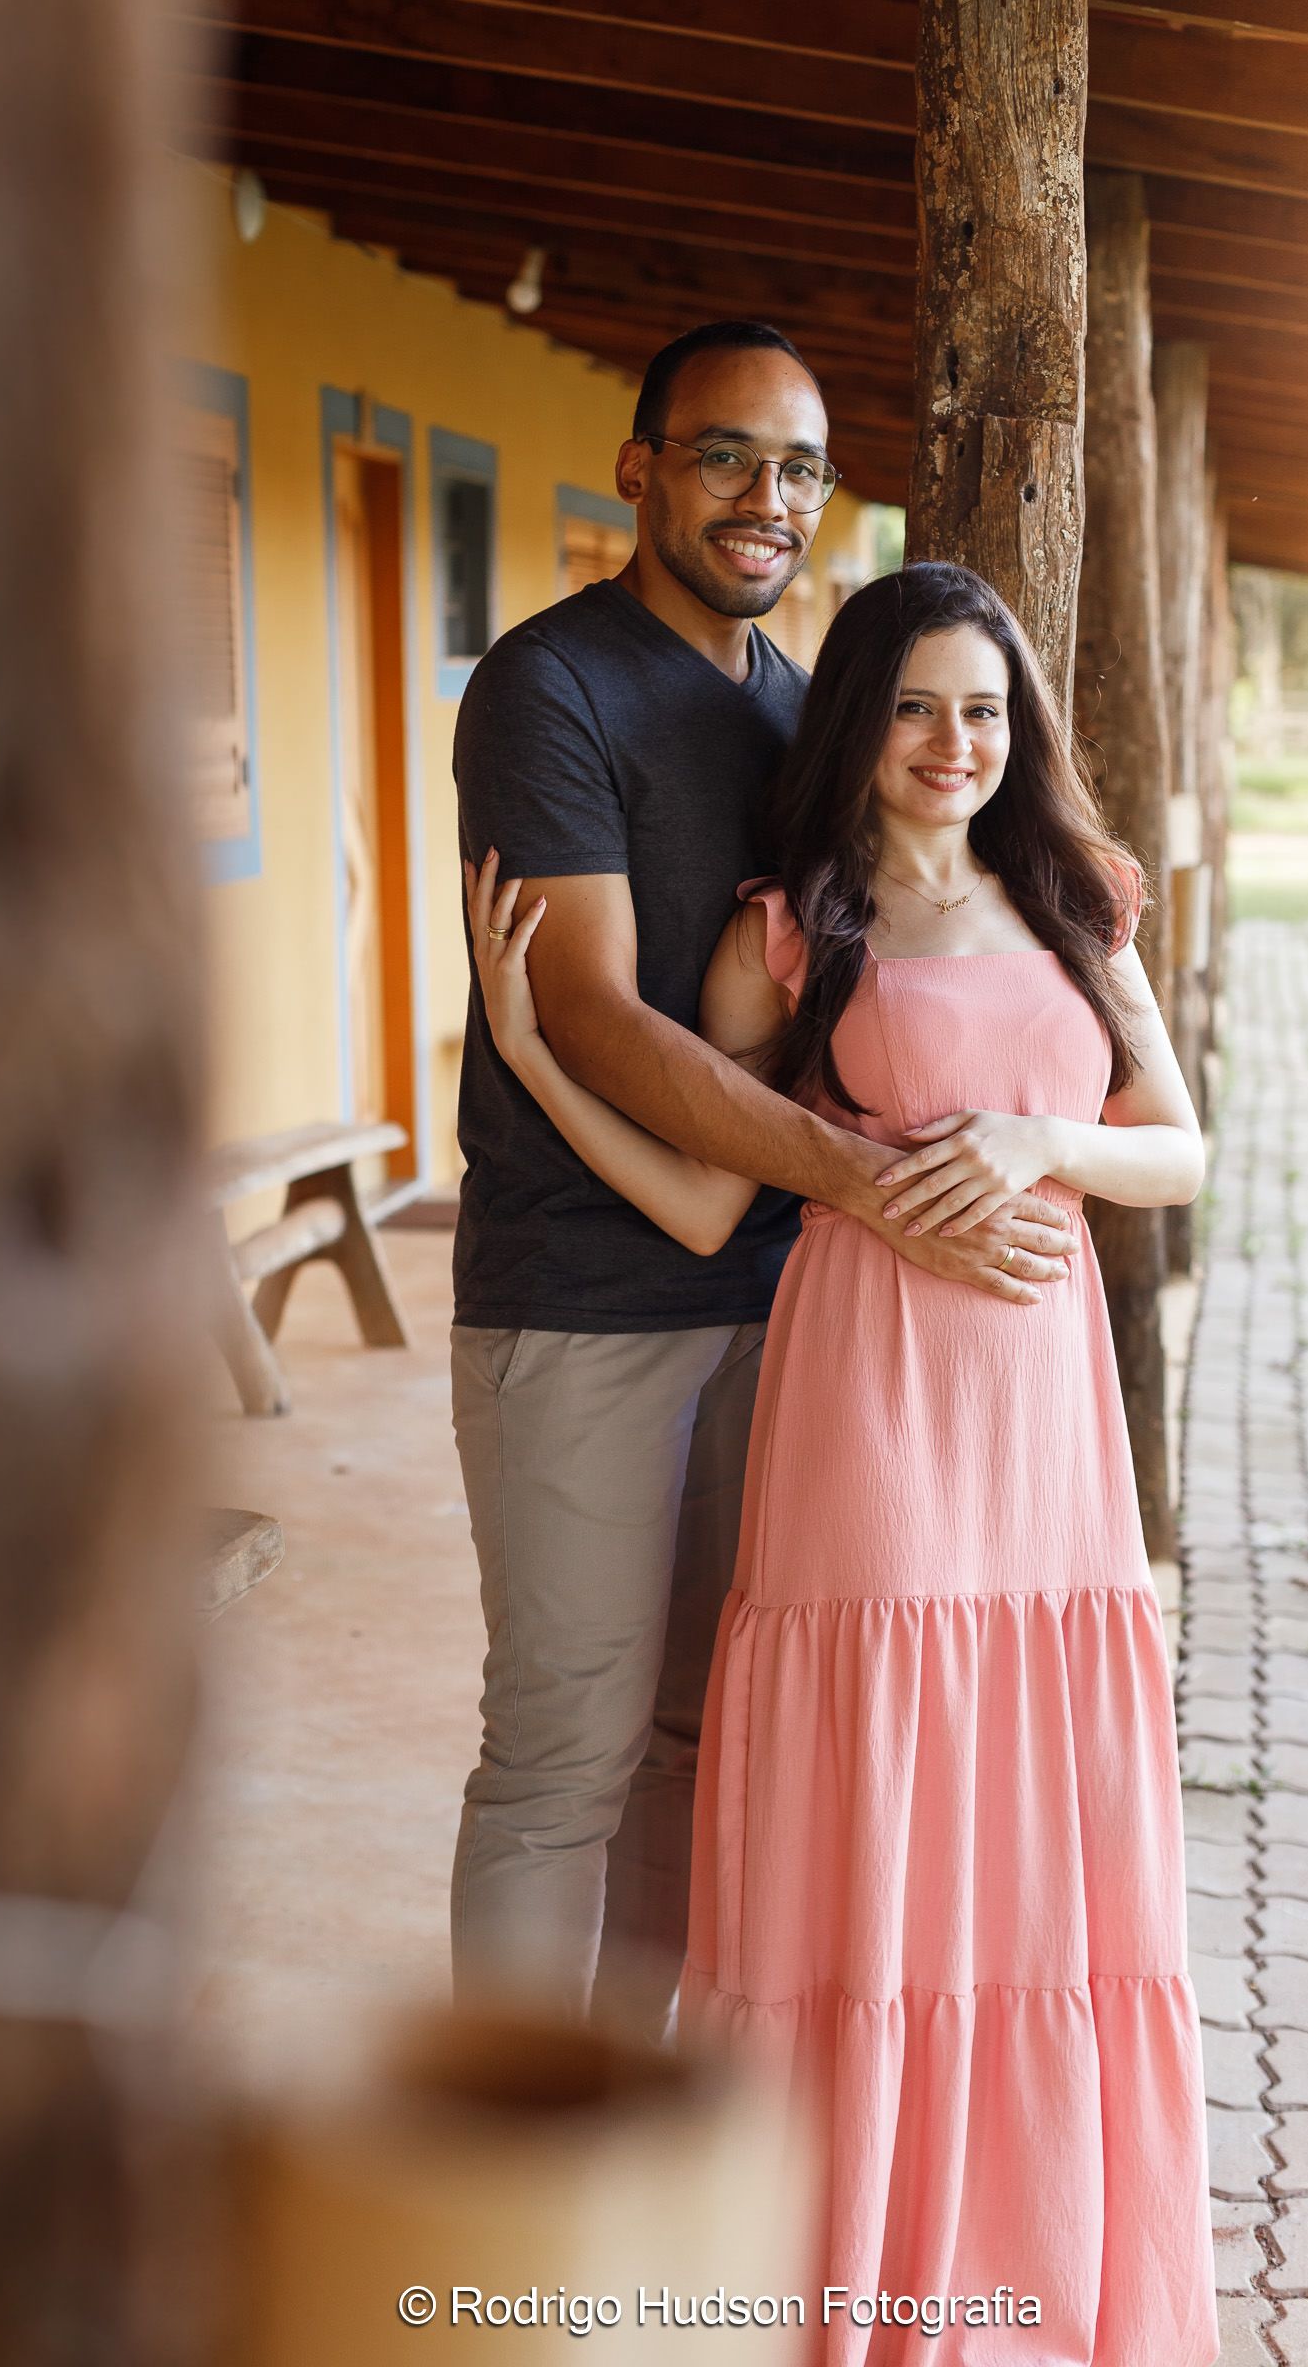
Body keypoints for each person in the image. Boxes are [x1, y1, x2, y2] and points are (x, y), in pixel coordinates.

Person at [463, 560, 1219, 2365]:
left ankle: (1013, 2253)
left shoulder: (1074, 901)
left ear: (1017, 727)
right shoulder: (794, 927)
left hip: (1042, 1424)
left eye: (984, 708)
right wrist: (536, 1062)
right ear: (855, 723)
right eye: (912, 706)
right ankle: (840, 2254)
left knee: (1031, 1813)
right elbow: (713, 1190)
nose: (954, 742)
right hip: (869, 1405)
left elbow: (1175, 1153)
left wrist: (1047, 1135)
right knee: (882, 1790)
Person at [448, 321, 1080, 2047]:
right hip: (584, 1300)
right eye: (726, 453)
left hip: (783, 1312)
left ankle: (637, 2148)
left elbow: (843, 978)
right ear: (639, 467)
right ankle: (507, 2222)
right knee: (562, 1755)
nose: (767, 497)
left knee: (703, 1748)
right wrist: (858, 1183)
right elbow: (585, 1005)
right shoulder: (547, 685)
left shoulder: (808, 710)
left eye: (800, 467)